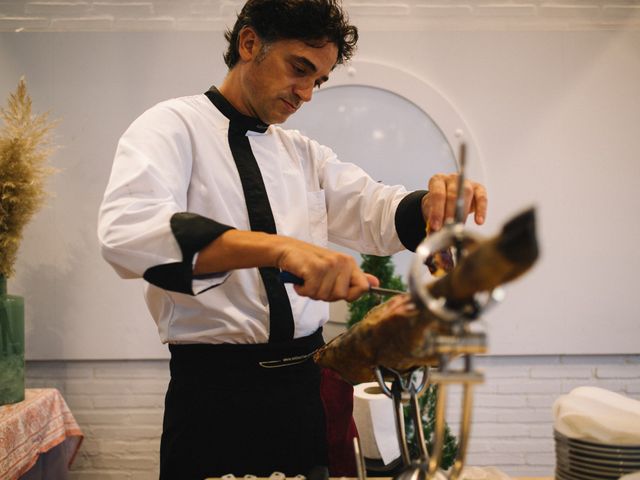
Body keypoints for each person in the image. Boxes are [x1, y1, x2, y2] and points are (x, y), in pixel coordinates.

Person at [97, 0, 488, 478]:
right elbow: (128, 231)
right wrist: (281, 248)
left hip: (305, 393)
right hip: (214, 397)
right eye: (298, 69)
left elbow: (376, 211)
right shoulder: (171, 126)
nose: (305, 93)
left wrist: (428, 205)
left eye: (317, 81)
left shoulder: (303, 155)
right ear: (249, 43)